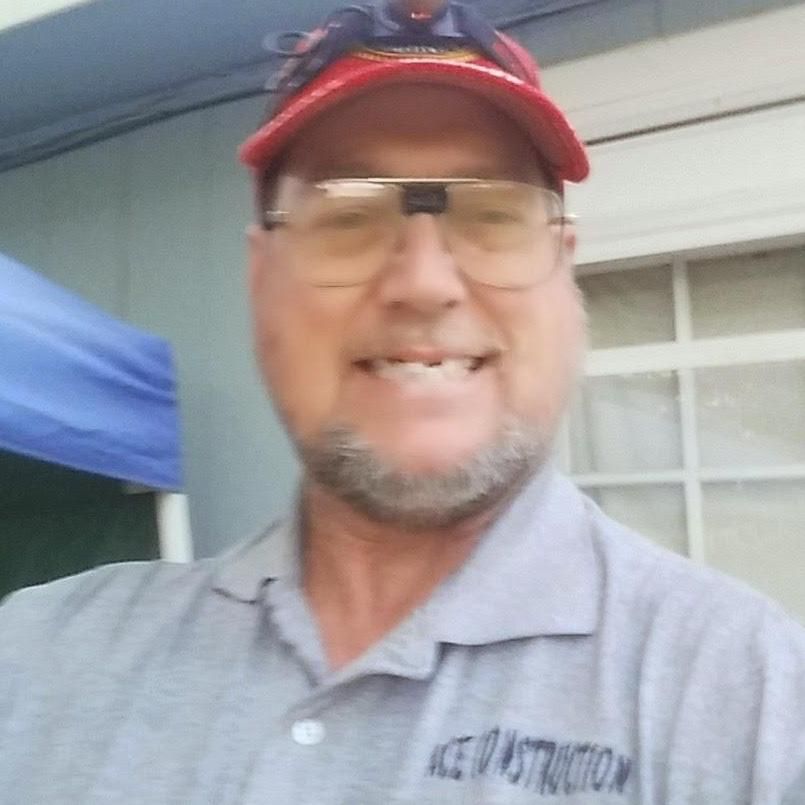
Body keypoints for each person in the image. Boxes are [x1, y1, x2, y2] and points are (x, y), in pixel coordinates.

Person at [2, 1, 804, 802]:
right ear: (260, 279)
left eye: (492, 215)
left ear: (565, 275)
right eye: (348, 216)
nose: (423, 282)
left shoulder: (752, 705)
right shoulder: (38, 658)